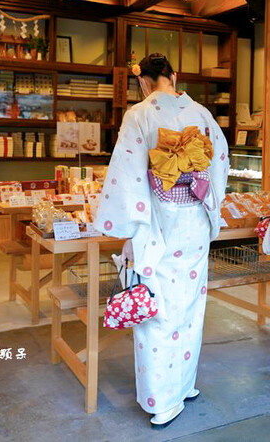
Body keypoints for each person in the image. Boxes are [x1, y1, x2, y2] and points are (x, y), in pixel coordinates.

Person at [93, 53, 229, 426]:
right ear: (174, 76)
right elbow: (220, 164)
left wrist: (129, 230)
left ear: (143, 81)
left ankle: (163, 400)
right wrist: (210, 204)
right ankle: (184, 385)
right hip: (195, 220)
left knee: (157, 307)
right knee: (191, 304)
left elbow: (128, 175)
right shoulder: (201, 113)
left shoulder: (140, 115)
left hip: (158, 224)